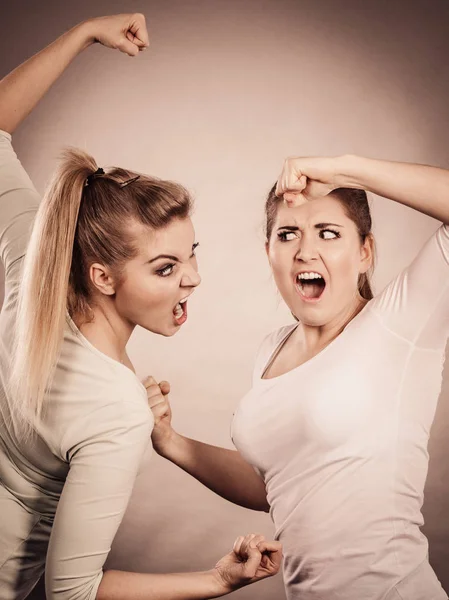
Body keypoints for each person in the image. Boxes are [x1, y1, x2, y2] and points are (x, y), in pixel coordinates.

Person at [0, 13, 282, 600]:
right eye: (166, 268)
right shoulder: (116, 410)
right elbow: (71, 593)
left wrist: (79, 34)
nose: (195, 280)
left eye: (191, 255)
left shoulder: (35, 262)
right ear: (102, 276)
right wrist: (217, 579)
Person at [148, 154, 449, 599]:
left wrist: (344, 170)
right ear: (268, 251)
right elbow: (277, 484)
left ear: (364, 251)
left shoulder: (398, 325)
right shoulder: (272, 348)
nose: (306, 251)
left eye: (329, 233)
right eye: (287, 235)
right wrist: (171, 441)